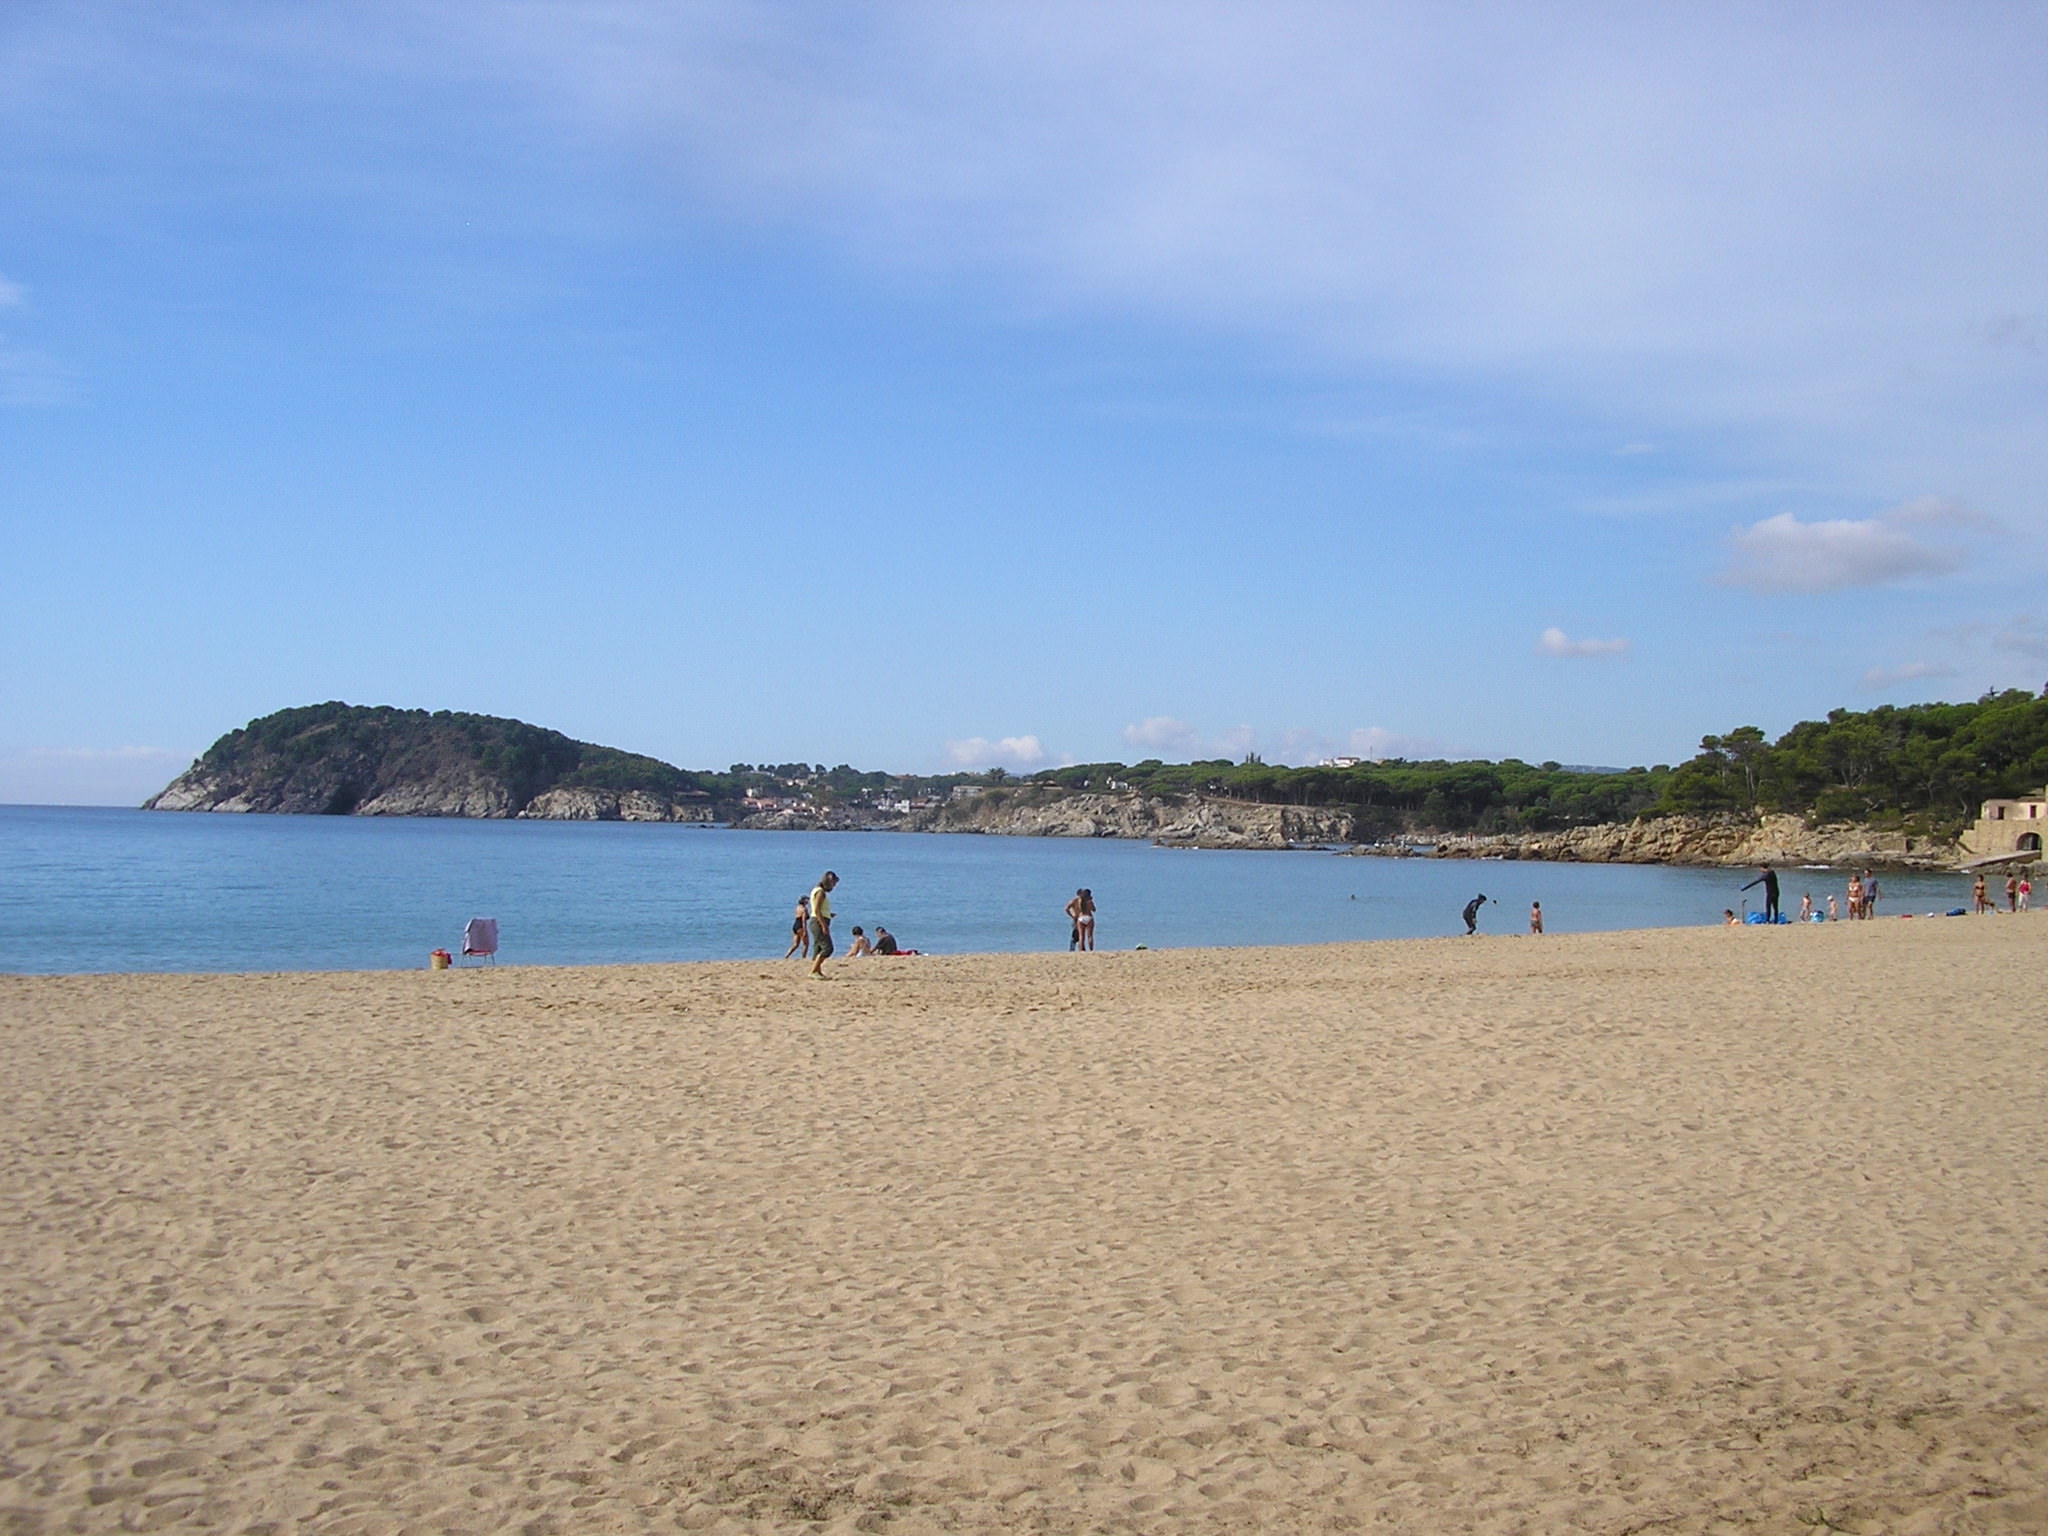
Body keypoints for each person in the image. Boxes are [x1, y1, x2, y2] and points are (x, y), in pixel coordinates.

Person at [807, 870, 839, 979]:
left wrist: (828, 914)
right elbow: (816, 910)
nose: (833, 887)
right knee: (828, 948)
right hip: (818, 922)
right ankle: (813, 971)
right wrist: (824, 925)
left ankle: (817, 971)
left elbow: (818, 909)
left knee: (819, 947)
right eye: (833, 884)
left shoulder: (816, 890)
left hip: (817, 920)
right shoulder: (820, 892)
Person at [784, 894, 810, 959]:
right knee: (806, 944)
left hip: (795, 925)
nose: (808, 901)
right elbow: (803, 921)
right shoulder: (804, 909)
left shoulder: (798, 907)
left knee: (795, 944)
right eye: (807, 900)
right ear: (804, 901)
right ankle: (803, 957)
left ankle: (787, 955)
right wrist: (805, 930)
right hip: (800, 926)